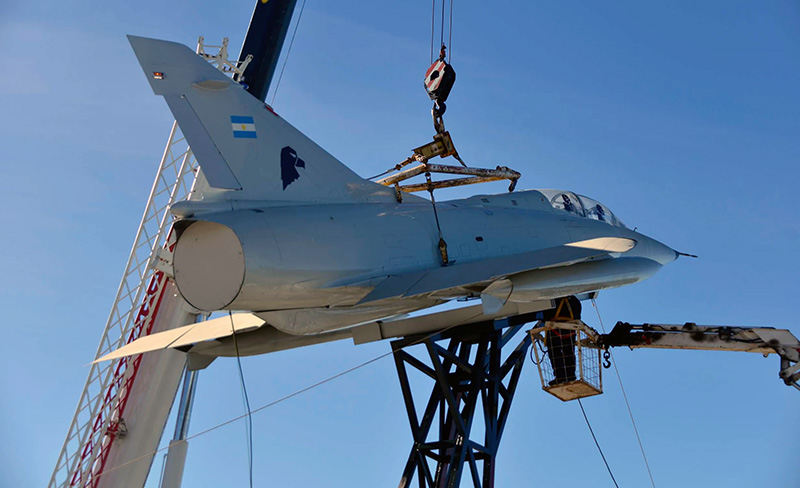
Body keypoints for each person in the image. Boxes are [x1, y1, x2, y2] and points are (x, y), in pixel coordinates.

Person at [543, 296, 581, 385]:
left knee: (554, 351)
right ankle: (570, 375)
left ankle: (560, 376)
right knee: (569, 352)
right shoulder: (574, 301)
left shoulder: (553, 300)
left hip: (556, 329)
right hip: (570, 330)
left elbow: (545, 315)